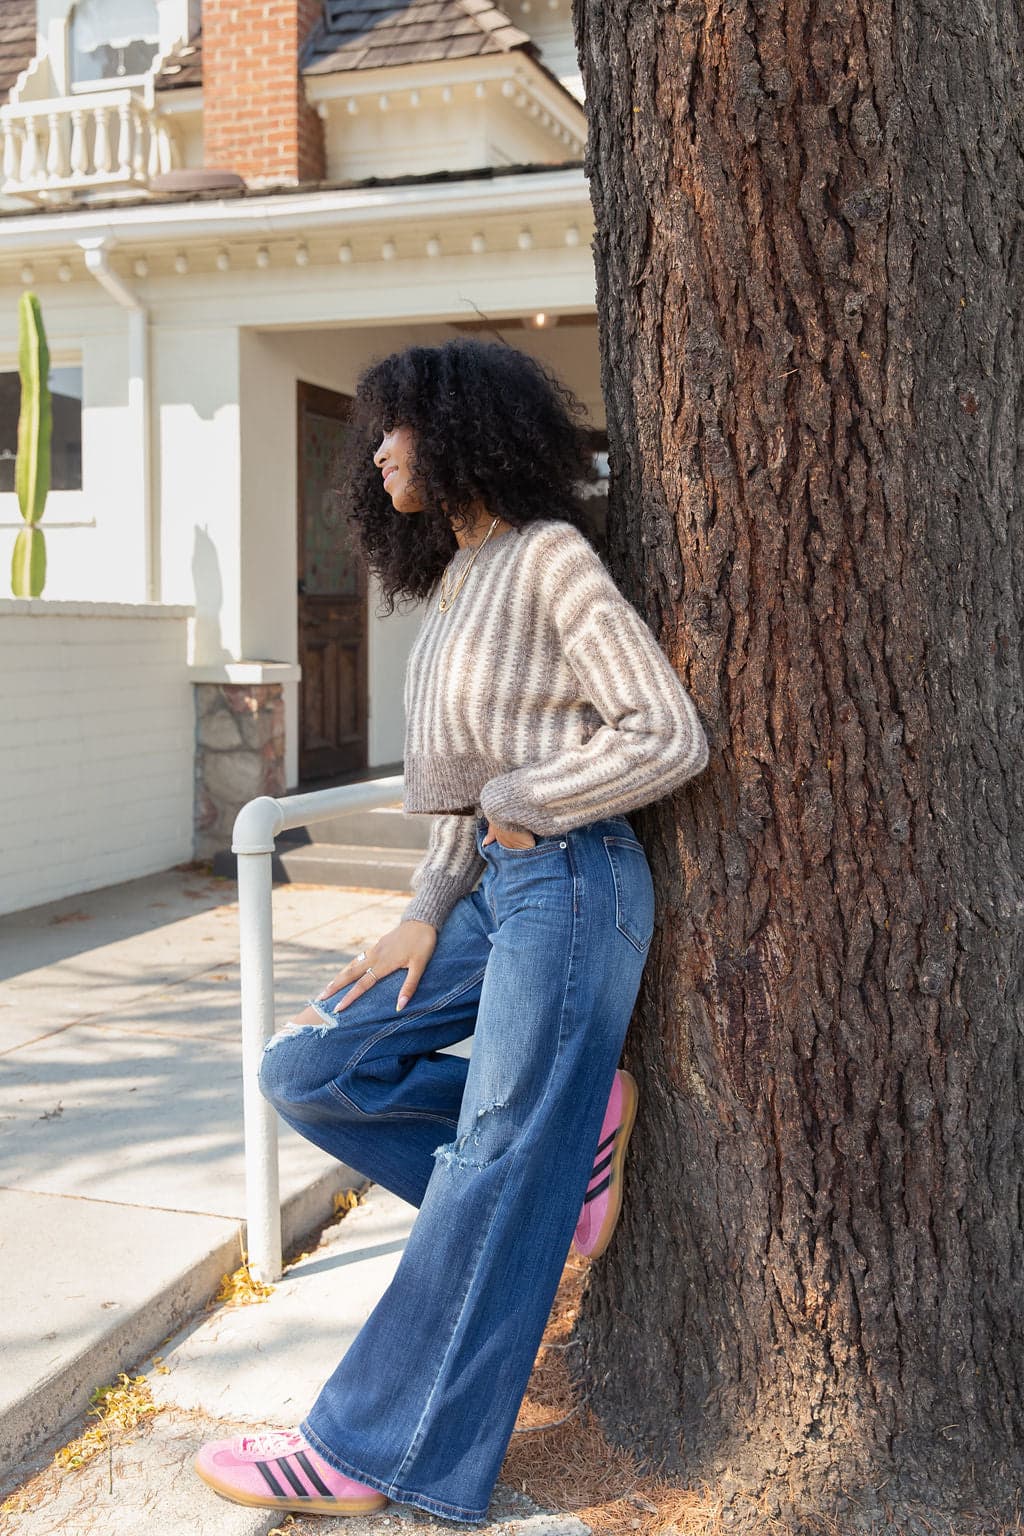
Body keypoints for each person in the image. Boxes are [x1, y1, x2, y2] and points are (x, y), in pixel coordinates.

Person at [195, 338, 710, 1522]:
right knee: (313, 1067)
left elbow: (664, 732)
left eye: (398, 427)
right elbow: (462, 792)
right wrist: (424, 909)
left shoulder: (549, 560)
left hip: (575, 882)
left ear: (465, 429)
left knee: (487, 1160)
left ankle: (371, 1453)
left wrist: (522, 807)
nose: (377, 452)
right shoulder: (458, 581)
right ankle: (560, 1150)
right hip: (490, 896)